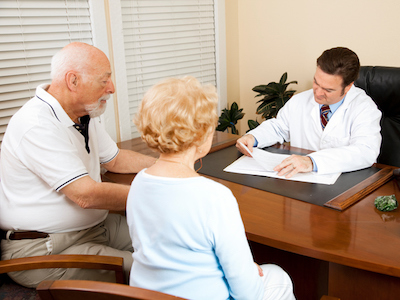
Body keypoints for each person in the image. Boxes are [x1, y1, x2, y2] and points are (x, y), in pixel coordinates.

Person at [0, 42, 156, 287]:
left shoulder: (82, 113)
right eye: (104, 81)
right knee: (158, 272)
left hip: (96, 226)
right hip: (45, 248)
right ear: (73, 81)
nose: (112, 88)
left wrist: (165, 168)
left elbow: (115, 159)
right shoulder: (35, 124)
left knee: (172, 240)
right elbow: (86, 195)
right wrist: (160, 193)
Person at [126, 76, 296, 300]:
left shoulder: (138, 183)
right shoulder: (214, 197)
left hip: (146, 294)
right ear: (202, 136)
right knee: (278, 278)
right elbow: (248, 294)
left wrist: (240, 267)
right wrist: (244, 271)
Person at [236, 47, 382, 178]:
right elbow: (279, 127)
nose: (317, 93)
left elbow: (366, 151)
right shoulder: (300, 100)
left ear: (348, 87)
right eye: (316, 82)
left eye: (328, 90)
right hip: (301, 182)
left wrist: (312, 161)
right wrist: (253, 137)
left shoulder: (364, 109)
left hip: (346, 185)